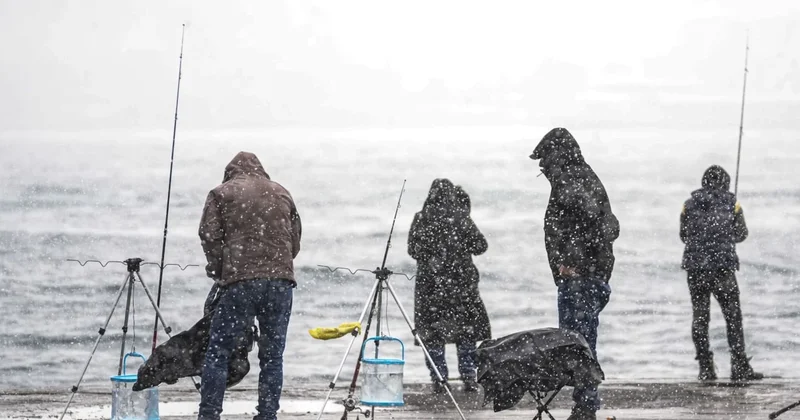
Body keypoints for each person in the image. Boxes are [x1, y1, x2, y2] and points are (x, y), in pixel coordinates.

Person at [197, 151, 302, 420]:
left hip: (240, 283)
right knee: (272, 356)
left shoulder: (221, 193)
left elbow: (209, 235)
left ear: (230, 172)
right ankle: (267, 414)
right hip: (280, 284)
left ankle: (209, 414)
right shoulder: (281, 192)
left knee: (218, 352)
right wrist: (276, 265)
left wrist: (218, 268)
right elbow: (295, 240)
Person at [529, 128, 619, 420]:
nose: (542, 168)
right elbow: (607, 224)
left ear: (557, 156)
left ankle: (586, 408)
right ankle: (585, 405)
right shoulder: (584, 176)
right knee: (581, 343)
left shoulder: (571, 179)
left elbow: (595, 223)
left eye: (545, 161)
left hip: (580, 278)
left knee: (578, 344)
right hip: (590, 276)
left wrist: (571, 262)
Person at [680, 165, 762, 381]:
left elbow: (684, 235)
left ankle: (706, 368)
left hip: (696, 268)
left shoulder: (688, 205)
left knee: (700, 317)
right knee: (733, 317)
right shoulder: (732, 204)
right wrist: (725, 237)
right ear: (725, 183)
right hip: (722, 268)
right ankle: (739, 366)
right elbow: (742, 234)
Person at [408, 179, 491, 394]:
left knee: (433, 334)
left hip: (430, 288)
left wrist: (433, 255)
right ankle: (469, 377)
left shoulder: (421, 218)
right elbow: (481, 246)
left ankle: (439, 378)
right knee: (466, 333)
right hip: (462, 288)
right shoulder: (461, 219)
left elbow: (413, 250)